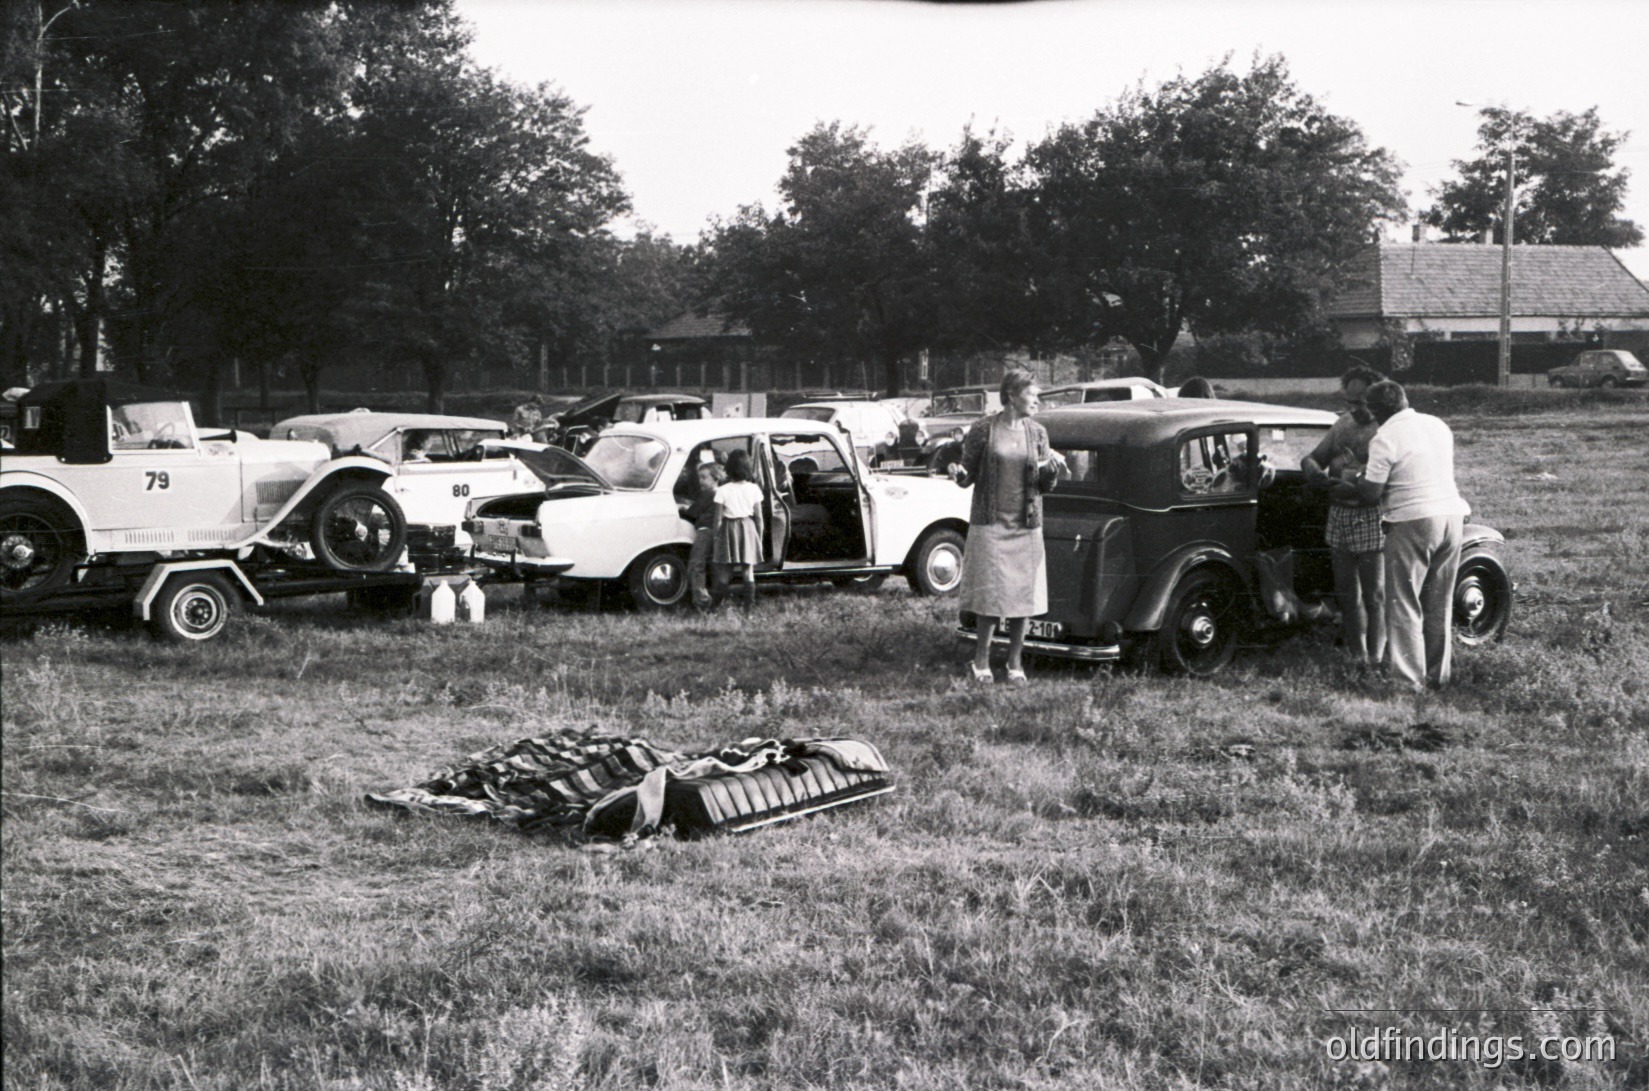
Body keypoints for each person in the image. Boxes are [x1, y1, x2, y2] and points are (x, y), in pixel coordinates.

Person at [950, 367, 1066, 684]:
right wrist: (957, 473)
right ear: (1012, 395)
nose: (1037, 400)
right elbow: (966, 475)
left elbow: (1044, 485)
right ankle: (981, 660)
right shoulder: (983, 429)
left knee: (1022, 596)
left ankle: (1016, 662)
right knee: (989, 595)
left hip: (1026, 525)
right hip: (990, 523)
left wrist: (1052, 471)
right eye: (1032, 394)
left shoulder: (1038, 433)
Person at [1354, 380, 1471, 690]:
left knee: (1404, 603)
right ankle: (1437, 676)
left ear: (1377, 410)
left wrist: (1356, 479)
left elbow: (1370, 494)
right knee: (1439, 602)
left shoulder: (1384, 438)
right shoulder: (1437, 425)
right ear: (1404, 401)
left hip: (1413, 521)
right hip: (1452, 515)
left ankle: (1408, 682)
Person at [1302, 365, 1388, 664]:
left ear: (1376, 398)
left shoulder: (1385, 429)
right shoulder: (1343, 424)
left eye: (1361, 401)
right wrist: (1312, 471)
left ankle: (1375, 658)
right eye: (1350, 401)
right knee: (1348, 594)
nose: (1355, 408)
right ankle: (1357, 657)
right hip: (1339, 515)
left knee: (1375, 595)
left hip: (1371, 513)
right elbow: (1314, 457)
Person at [711, 449, 765, 611]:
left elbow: (718, 519)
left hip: (729, 529)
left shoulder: (723, 490)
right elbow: (759, 518)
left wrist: (716, 538)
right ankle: (748, 609)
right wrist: (759, 539)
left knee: (725, 572)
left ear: (728, 468)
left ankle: (713, 608)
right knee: (748, 570)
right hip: (748, 529)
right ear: (747, 468)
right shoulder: (754, 489)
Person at [679, 450, 726, 611]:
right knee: (712, 567)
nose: (701, 481)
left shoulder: (711, 494)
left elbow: (692, 511)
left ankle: (701, 600)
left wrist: (682, 506)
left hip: (705, 531)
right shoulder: (717, 493)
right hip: (715, 533)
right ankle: (713, 601)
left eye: (704, 477)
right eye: (700, 477)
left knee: (696, 564)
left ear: (716, 478)